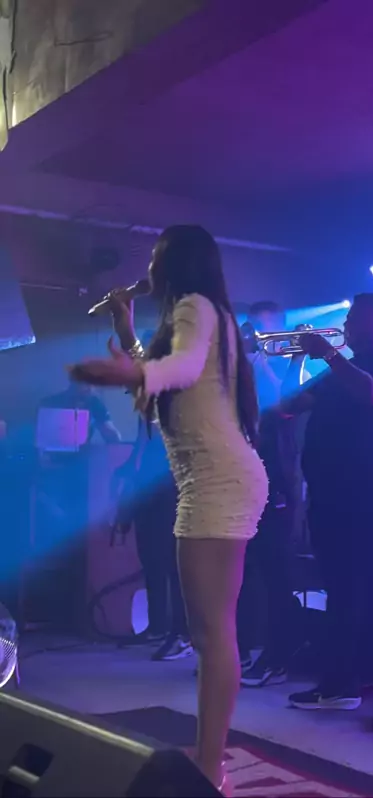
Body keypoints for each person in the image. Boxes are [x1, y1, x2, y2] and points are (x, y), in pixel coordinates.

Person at [68, 224, 268, 793]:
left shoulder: (196, 307)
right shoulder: (201, 314)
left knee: (213, 633)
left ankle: (211, 764)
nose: (149, 268)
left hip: (218, 480)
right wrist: (126, 333)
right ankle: (209, 755)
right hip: (214, 478)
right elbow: (168, 382)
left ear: (177, 261)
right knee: (210, 632)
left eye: (156, 256)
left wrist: (131, 370)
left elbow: (176, 371)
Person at [282, 292, 373, 732]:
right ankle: (339, 685)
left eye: (358, 318)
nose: (348, 325)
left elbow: (372, 393)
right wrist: (297, 360)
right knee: (340, 595)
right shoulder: (335, 372)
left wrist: (330, 355)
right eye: (349, 318)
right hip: (331, 500)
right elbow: (288, 406)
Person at [238, 301, 308, 686]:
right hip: (246, 474)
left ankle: (279, 655)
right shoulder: (243, 368)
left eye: (261, 329)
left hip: (277, 477)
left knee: (276, 571)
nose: (254, 336)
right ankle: (245, 648)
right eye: (251, 328)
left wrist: (261, 359)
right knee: (248, 570)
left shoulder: (288, 364)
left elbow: (284, 405)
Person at [112, 332, 190, 659]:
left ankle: (182, 633)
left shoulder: (175, 392)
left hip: (172, 487)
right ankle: (157, 625)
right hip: (147, 490)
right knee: (152, 559)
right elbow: (142, 443)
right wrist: (128, 473)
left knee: (174, 563)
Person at [40, 377, 121, 443]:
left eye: (93, 383)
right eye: (85, 383)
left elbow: (110, 432)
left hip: (84, 454)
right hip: (52, 454)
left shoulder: (95, 403)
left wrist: (113, 436)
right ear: (73, 383)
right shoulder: (50, 403)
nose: (90, 388)